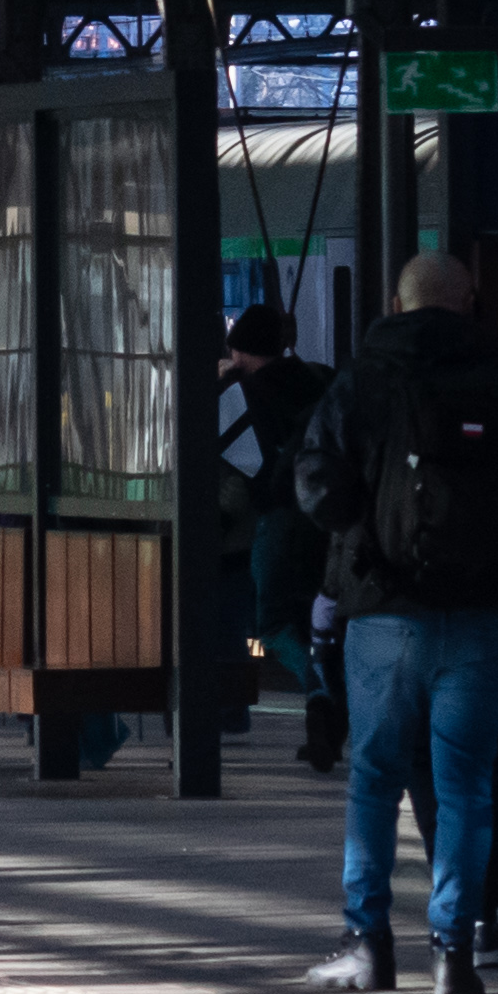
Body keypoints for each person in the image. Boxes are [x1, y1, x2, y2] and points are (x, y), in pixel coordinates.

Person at [293, 253, 498, 994]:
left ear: (396, 302)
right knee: (468, 788)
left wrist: (364, 534)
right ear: (473, 302)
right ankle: (455, 952)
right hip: (488, 624)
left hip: (386, 618)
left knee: (376, 780)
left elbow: (315, 485)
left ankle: (369, 943)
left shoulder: (363, 381)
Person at [216, 301, 334, 721]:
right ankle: (331, 684)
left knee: (274, 622)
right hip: (325, 519)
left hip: (277, 517)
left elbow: (231, 461)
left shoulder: (239, 394)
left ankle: (324, 692)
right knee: (313, 614)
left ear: (242, 351)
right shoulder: (318, 380)